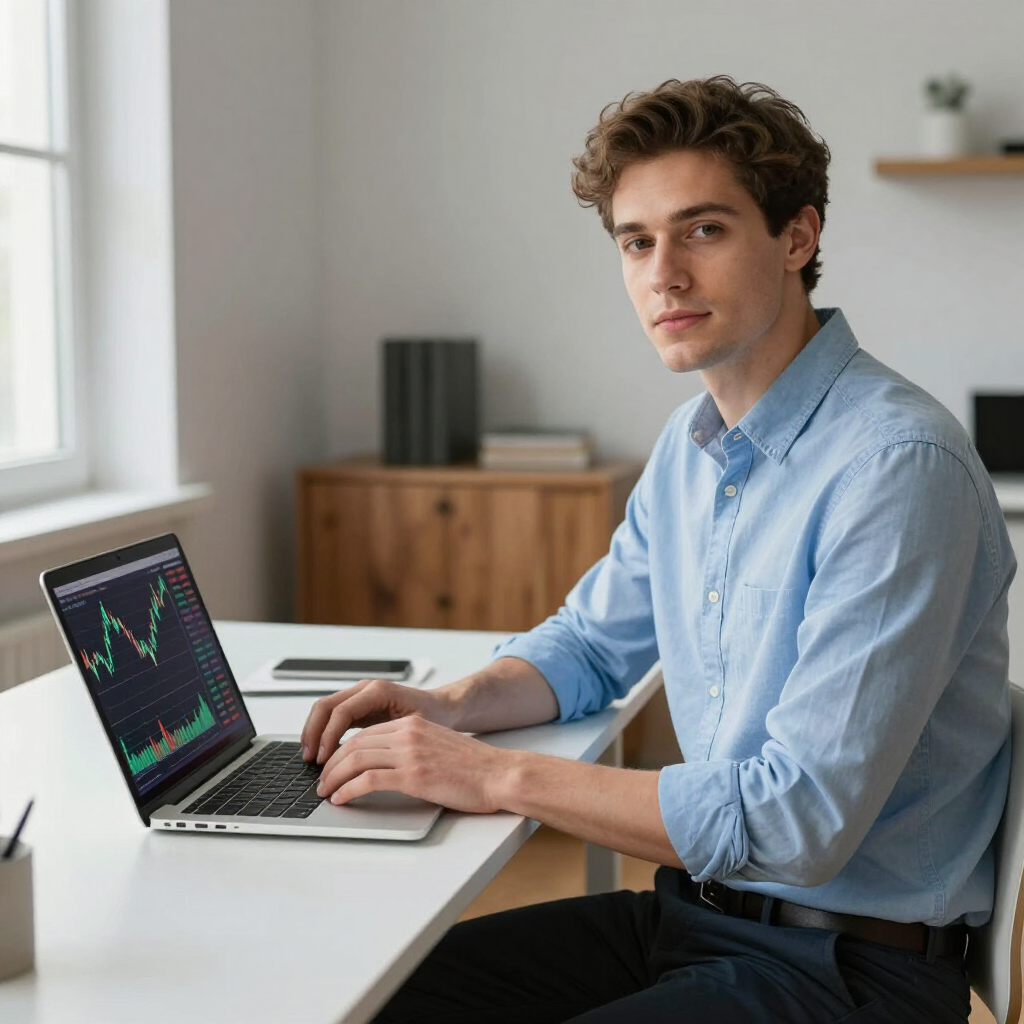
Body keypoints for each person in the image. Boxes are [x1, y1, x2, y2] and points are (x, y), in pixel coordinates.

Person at [301, 76, 1016, 1023]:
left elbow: (796, 822)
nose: (663, 274)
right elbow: (594, 645)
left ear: (797, 238)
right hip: (695, 918)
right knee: (365, 998)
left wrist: (491, 774)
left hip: (846, 972)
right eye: (637, 241)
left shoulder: (898, 468)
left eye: (704, 230)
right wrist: (454, 704)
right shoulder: (692, 448)